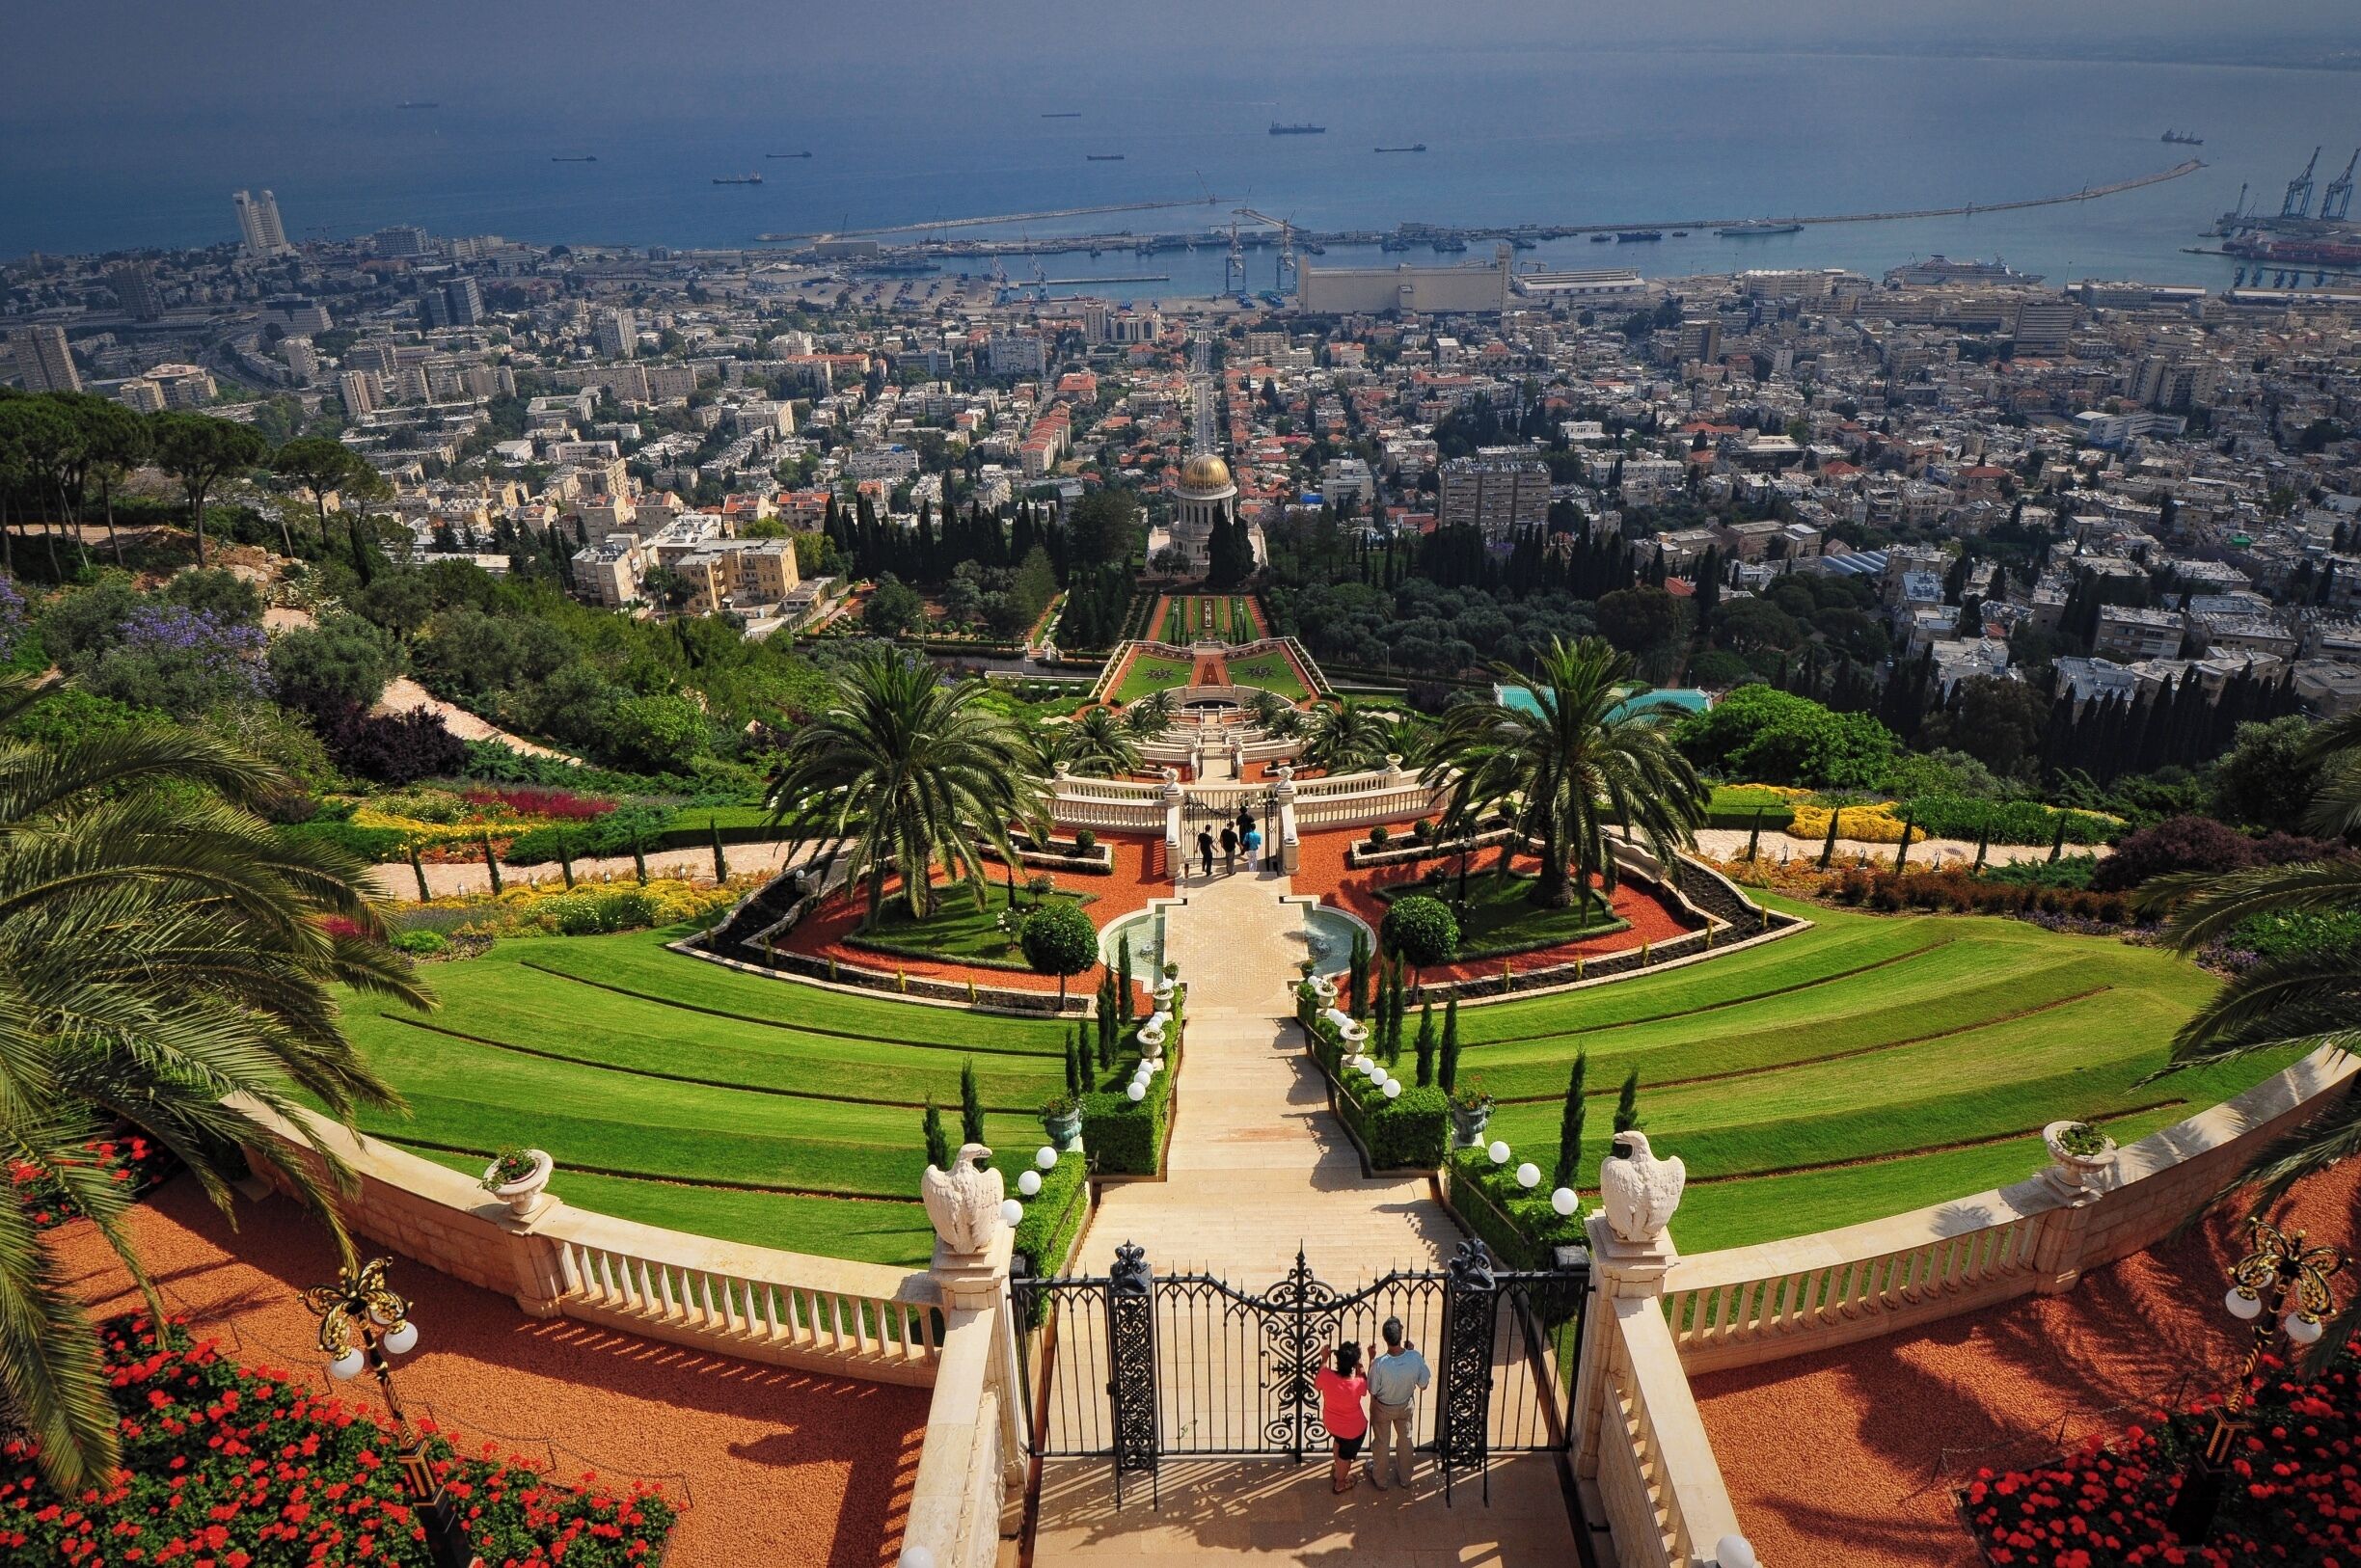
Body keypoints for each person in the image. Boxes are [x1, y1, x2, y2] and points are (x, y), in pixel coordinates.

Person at [1366, 1316, 1430, 1490]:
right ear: (1401, 1334)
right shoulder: (1415, 1357)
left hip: (1383, 1408)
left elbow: (1371, 1389)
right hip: (1405, 1405)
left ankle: (1380, 1479)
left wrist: (1371, 1359)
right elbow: (1423, 1385)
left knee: (1381, 1443)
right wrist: (1411, 1355)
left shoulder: (1379, 1364)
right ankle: (1405, 1477)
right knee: (1405, 1440)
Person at [1315, 1340, 1370, 1494]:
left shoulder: (1326, 1375)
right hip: (1353, 1430)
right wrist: (1360, 1361)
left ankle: (1338, 1467)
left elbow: (1318, 1383)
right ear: (1352, 1365)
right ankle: (1340, 1482)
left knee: (1339, 1441)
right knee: (1346, 1455)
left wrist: (1324, 1359)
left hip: (1332, 1424)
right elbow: (1365, 1383)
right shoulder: (1357, 1384)